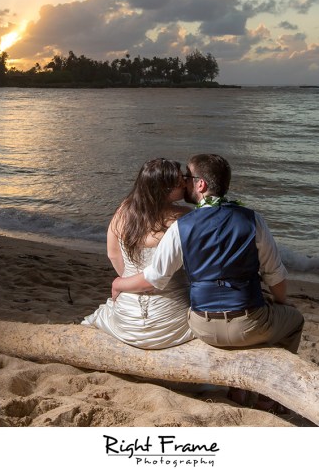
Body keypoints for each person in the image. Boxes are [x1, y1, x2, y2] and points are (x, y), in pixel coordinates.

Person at [112, 153, 304, 411]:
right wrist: (282, 303)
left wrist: (119, 283)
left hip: (201, 323)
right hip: (248, 321)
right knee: (293, 320)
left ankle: (240, 389)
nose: (184, 182)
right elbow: (276, 276)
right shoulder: (252, 219)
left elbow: (156, 276)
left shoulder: (182, 225)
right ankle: (268, 399)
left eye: (188, 178)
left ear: (200, 185)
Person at [82, 158, 195, 349]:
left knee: (102, 314)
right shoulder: (184, 216)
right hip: (169, 322)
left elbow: (113, 254)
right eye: (179, 181)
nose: (185, 183)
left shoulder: (124, 212)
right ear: (164, 189)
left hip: (126, 321)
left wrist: (128, 281)